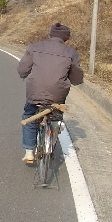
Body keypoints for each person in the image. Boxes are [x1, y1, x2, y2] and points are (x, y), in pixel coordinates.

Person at [17, 22, 84, 162]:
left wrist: (24, 75)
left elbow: (22, 70)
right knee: (56, 113)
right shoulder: (72, 53)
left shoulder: (34, 47)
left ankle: (29, 151)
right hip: (57, 95)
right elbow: (76, 78)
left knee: (30, 115)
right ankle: (54, 129)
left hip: (35, 92)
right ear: (66, 40)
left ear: (49, 35)